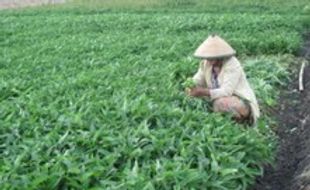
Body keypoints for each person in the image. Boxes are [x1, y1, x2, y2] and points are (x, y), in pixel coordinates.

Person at [186, 35, 260, 124]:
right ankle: (223, 121)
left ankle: (243, 121)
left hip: (238, 99)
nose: (208, 59)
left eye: (211, 57)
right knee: (216, 103)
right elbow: (198, 79)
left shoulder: (232, 64)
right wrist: (190, 85)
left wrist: (203, 92)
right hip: (217, 98)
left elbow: (226, 91)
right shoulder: (206, 63)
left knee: (221, 103)